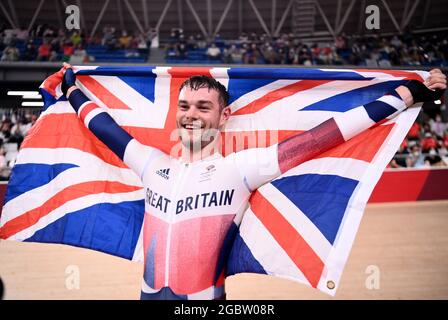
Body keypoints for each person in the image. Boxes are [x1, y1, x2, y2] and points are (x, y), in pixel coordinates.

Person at [61, 63, 446, 299]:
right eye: (184, 106)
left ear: (224, 115)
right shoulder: (152, 164)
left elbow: (324, 136)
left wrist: (406, 93)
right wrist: (70, 87)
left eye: (203, 106)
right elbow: (102, 126)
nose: (190, 114)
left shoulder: (240, 169)